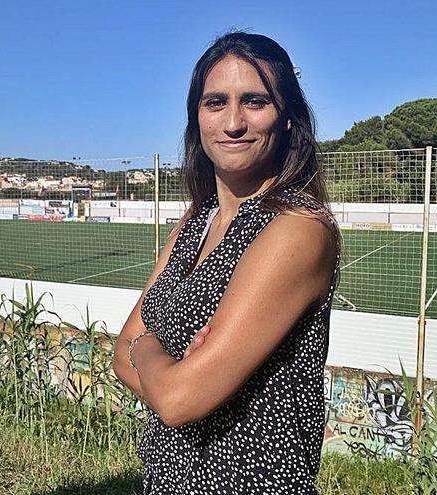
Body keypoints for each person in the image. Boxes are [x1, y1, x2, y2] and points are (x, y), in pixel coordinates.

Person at [112, 32, 340, 494]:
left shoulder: (296, 228)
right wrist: (166, 366)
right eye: (215, 102)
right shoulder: (195, 224)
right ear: (197, 118)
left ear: (290, 120)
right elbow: (120, 352)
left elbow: (177, 400)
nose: (232, 122)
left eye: (254, 101)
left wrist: (150, 352)